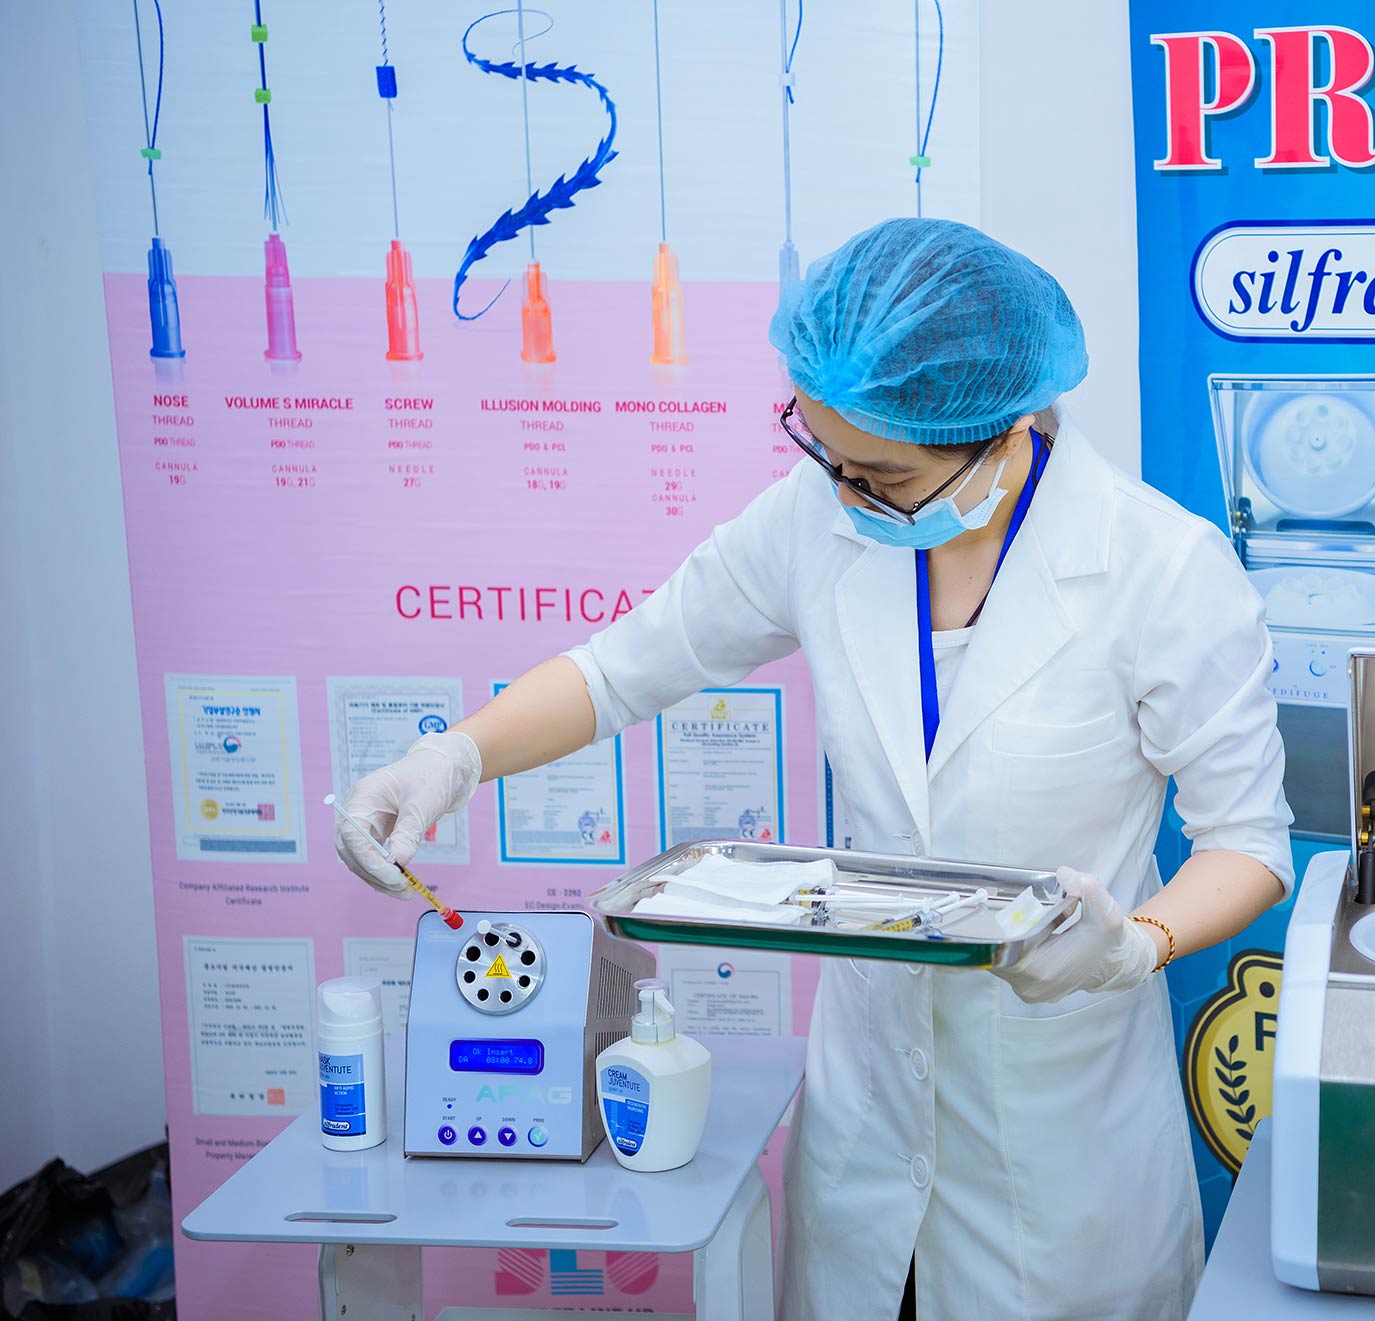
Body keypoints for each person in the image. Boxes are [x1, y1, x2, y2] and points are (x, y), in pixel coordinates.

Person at [335, 218, 1293, 1320]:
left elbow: (1246, 845)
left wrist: (1133, 947)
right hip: (867, 1127)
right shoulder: (820, 515)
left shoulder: (1160, 568)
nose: (845, 491)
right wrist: (452, 755)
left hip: (1063, 1141)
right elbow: (622, 669)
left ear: (1008, 428)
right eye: (823, 453)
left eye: (882, 474)